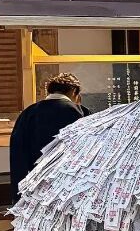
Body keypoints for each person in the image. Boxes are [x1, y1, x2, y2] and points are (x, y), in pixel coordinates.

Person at [9, 73, 85, 202]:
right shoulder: (80, 112)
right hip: (70, 185)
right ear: (74, 91)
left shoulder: (28, 113)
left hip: (37, 184)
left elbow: (18, 153)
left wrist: (18, 195)